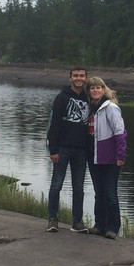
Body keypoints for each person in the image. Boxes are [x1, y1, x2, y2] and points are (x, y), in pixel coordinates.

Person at [45, 66, 90, 233]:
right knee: (56, 185)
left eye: (82, 76)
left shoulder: (88, 99)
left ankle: (77, 222)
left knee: (78, 188)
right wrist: (53, 150)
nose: (79, 78)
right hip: (62, 149)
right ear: (70, 78)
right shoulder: (61, 98)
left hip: (81, 151)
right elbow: (54, 125)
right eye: (76, 76)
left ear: (86, 78)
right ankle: (52, 219)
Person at [85, 76, 126, 239]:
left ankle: (113, 228)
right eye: (92, 88)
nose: (95, 90)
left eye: (98, 87)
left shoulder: (110, 108)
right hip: (94, 157)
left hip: (110, 157)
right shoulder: (91, 108)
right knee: (99, 193)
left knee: (110, 193)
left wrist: (120, 154)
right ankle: (99, 225)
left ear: (104, 89)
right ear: (89, 91)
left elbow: (120, 132)